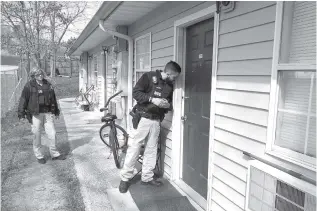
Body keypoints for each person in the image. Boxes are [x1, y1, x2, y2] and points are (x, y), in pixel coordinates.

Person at [119, 61, 181, 193]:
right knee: (134, 147)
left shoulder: (169, 86)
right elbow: (136, 93)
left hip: (156, 120)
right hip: (143, 118)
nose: (174, 80)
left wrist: (167, 105)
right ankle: (125, 179)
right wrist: (153, 99)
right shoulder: (149, 77)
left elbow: (168, 102)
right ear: (168, 72)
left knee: (151, 149)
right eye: (174, 77)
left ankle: (146, 177)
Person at [18, 67, 66, 164]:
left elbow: (53, 98)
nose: (40, 76)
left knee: (52, 134)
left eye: (41, 74)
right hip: (35, 114)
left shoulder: (48, 84)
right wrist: (21, 113)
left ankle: (55, 154)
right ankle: (39, 155)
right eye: (37, 74)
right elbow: (23, 99)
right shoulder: (29, 86)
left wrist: (56, 111)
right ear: (33, 76)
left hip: (47, 113)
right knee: (37, 135)